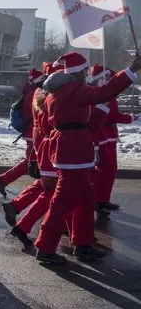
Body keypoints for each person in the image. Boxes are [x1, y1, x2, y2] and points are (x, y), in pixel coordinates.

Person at [34, 52, 141, 264]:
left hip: (74, 148)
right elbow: (104, 92)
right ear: (79, 72)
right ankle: (46, 247)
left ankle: (82, 244)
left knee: (86, 199)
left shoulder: (62, 90)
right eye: (85, 71)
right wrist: (131, 70)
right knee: (62, 202)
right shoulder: (72, 89)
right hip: (73, 149)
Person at [90, 66, 136, 214]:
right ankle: (97, 199)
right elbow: (113, 116)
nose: (110, 80)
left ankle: (102, 199)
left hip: (106, 136)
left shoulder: (102, 94)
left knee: (108, 169)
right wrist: (130, 118)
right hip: (103, 136)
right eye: (108, 77)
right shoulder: (101, 94)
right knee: (105, 169)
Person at [0, 68, 44, 197]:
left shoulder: (31, 92)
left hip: (31, 133)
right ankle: (4, 180)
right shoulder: (36, 94)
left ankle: (4, 180)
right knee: (32, 162)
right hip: (34, 133)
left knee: (34, 161)